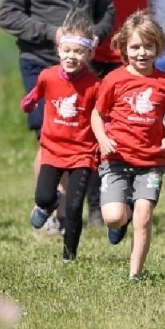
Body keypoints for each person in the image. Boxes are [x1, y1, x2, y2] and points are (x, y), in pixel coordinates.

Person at [0, 0, 116, 222]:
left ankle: (67, 215)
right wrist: (53, 34)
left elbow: (107, 10)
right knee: (49, 138)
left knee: (78, 135)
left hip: (82, 68)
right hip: (42, 64)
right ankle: (50, 213)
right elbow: (7, 15)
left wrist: (96, 35)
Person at [91, 10, 165, 282]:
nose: (142, 53)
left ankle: (135, 275)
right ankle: (121, 217)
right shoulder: (114, 80)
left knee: (144, 215)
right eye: (135, 47)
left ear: (158, 48)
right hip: (116, 159)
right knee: (113, 217)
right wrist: (103, 139)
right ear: (124, 48)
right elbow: (97, 115)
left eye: (148, 46)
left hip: (151, 161)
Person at [20, 14, 101, 263]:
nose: (71, 57)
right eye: (67, 51)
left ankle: (69, 256)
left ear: (89, 54)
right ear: (58, 51)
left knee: (74, 208)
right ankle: (50, 202)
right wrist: (29, 103)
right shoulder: (48, 76)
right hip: (52, 150)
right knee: (43, 197)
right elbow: (36, 94)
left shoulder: (94, 85)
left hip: (82, 153)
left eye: (78, 52)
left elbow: (102, 114)